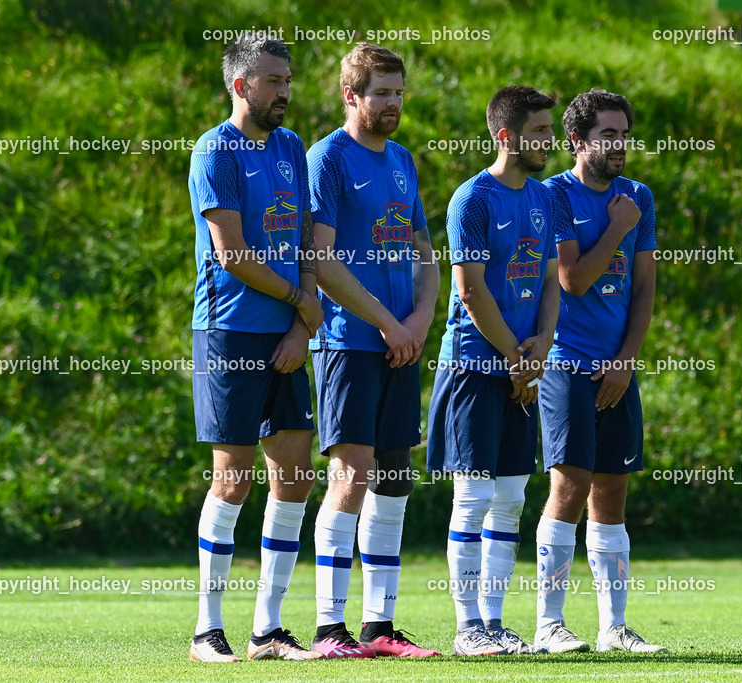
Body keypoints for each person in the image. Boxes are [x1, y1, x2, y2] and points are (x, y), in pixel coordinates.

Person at [187, 33, 324, 663]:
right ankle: (207, 631)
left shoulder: (292, 146)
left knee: (294, 476)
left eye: (287, 80)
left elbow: (305, 240)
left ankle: (267, 630)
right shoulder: (214, 150)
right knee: (233, 478)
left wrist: (301, 324)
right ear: (241, 85)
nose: (285, 91)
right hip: (230, 330)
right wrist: (298, 301)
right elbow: (231, 254)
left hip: (287, 332)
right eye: (273, 80)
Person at [306, 42, 441, 659]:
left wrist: (419, 319)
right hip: (351, 341)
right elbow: (322, 260)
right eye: (381, 93)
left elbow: (424, 252)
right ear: (350, 95)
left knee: (393, 479)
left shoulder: (403, 160)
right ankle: (328, 629)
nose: (393, 103)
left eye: (399, 92)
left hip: (401, 343)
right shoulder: (327, 158)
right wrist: (388, 323)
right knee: (351, 475)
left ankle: (379, 628)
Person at [427, 85, 562, 656]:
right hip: (476, 367)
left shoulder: (545, 198)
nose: (550, 140)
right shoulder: (473, 199)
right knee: (474, 496)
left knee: (510, 497)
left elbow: (551, 278)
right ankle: (467, 630)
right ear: (506, 136)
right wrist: (515, 357)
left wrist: (543, 345)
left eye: (551, 129)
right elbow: (470, 289)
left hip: (523, 367)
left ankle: (495, 623)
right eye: (540, 131)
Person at [534, 89, 666, 654]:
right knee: (569, 487)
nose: (619, 145)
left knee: (611, 494)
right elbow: (573, 280)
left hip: (617, 368)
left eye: (624, 135)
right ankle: (548, 624)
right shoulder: (553, 196)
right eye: (607, 135)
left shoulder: (639, 197)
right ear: (576, 141)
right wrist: (616, 229)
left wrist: (625, 361)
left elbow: (644, 286)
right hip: (565, 363)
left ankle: (614, 627)